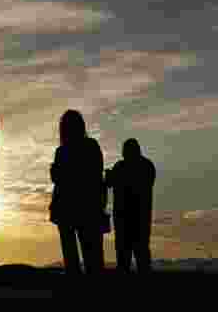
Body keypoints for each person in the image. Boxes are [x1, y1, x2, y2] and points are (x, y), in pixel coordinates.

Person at [50, 110, 107, 276]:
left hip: (67, 207)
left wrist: (57, 172)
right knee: (92, 256)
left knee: (71, 256)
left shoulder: (62, 151)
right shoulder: (91, 146)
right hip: (88, 206)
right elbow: (96, 175)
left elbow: (58, 178)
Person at [105, 138, 156, 275]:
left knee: (124, 257)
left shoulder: (120, 167)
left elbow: (109, 183)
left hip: (124, 219)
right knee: (142, 254)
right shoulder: (147, 166)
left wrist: (110, 176)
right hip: (141, 218)